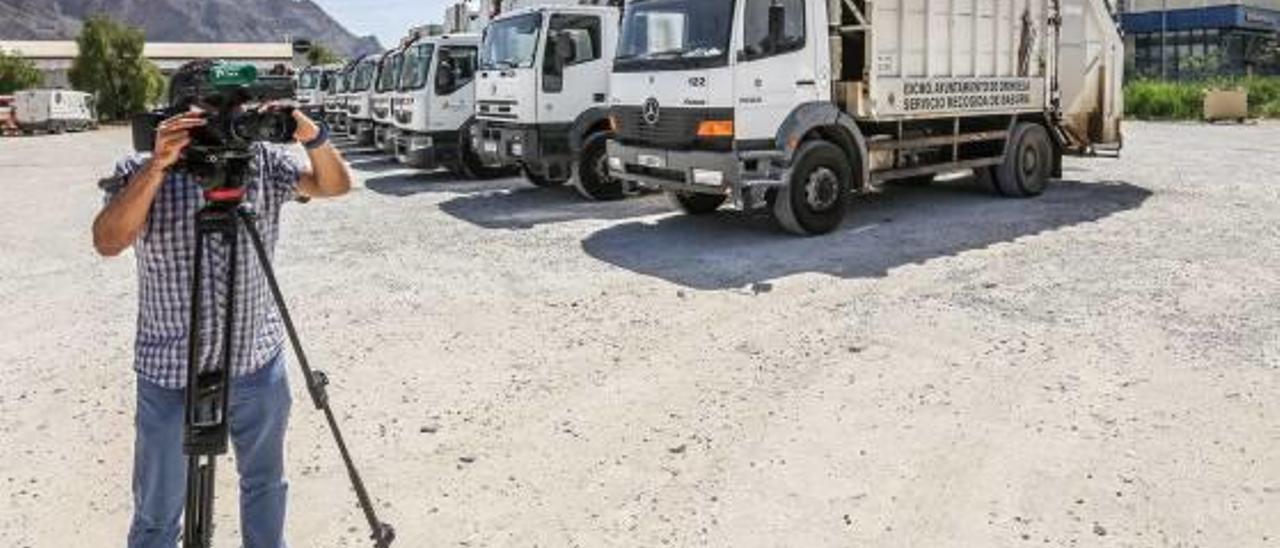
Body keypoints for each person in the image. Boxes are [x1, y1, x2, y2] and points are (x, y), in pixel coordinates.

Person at [92, 59, 353, 548]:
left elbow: (336, 185)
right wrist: (156, 166)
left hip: (256, 360)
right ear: (178, 114)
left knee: (265, 487)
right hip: (171, 368)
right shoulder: (140, 170)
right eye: (210, 112)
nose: (224, 124)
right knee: (156, 511)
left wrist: (310, 135)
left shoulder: (264, 166)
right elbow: (108, 241)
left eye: (233, 110)